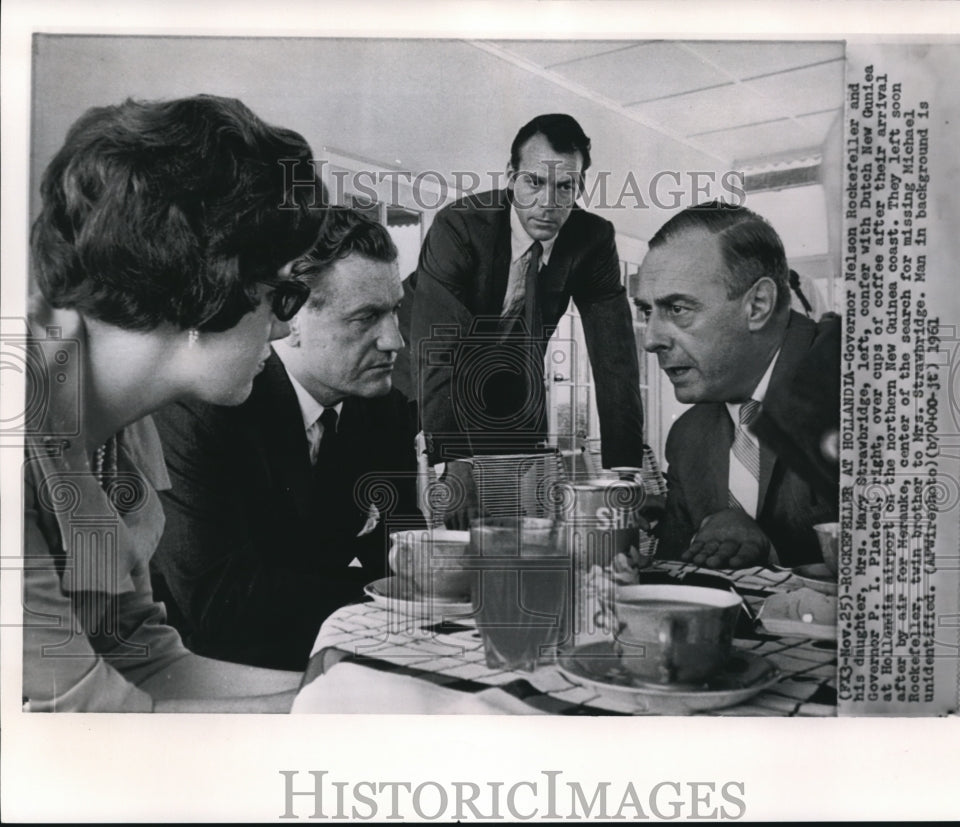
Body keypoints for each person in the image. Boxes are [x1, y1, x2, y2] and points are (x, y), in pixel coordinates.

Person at [22, 94, 326, 712]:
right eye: (284, 294)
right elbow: (96, 720)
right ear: (206, 288)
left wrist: (350, 698)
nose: (281, 329)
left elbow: (145, 659)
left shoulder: (122, 433)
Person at [151, 207, 424, 670]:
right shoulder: (205, 409)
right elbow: (222, 607)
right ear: (290, 316)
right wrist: (381, 598)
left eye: (394, 310)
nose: (395, 340)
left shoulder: (384, 409)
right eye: (366, 318)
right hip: (205, 675)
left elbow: (403, 554)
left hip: (327, 654)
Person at [397, 114, 643, 522]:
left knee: (518, 507)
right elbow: (438, 347)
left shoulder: (592, 238)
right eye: (534, 182)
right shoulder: (459, 226)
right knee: (431, 501)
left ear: (579, 187)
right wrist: (455, 465)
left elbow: (614, 355)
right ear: (511, 177)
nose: (548, 203)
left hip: (510, 368)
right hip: (419, 366)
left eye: (564, 186)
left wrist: (627, 473)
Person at [635, 201, 840, 570]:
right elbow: (679, 586)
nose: (650, 340)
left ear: (758, 305)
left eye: (678, 308)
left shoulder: (863, 382)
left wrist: (770, 549)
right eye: (647, 311)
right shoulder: (688, 436)